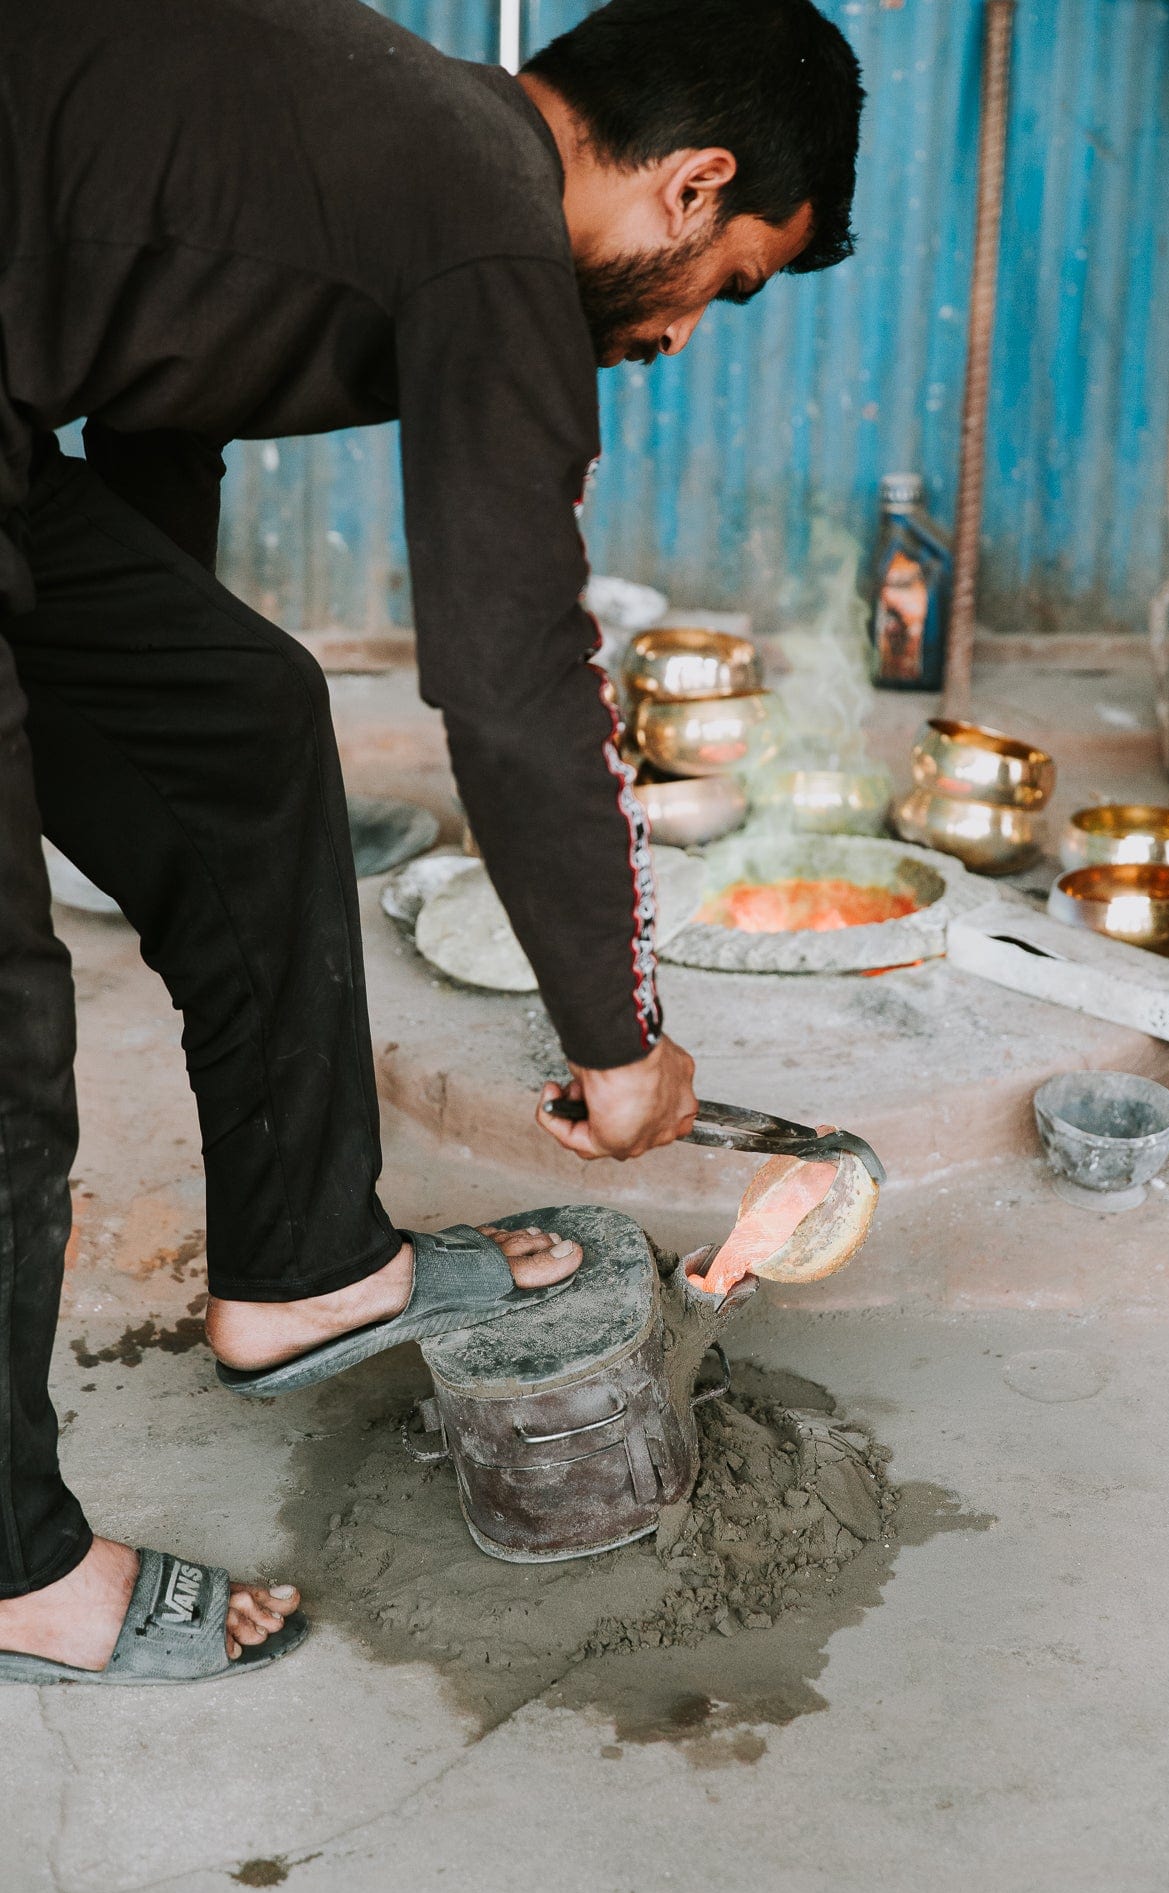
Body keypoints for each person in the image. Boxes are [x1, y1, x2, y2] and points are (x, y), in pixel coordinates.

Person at [0, 0, 863, 1684]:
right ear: (691, 187)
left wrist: (140, 711)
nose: (687, 331)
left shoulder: (403, 137)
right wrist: (620, 1038)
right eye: (728, 281)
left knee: (240, 715)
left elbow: (158, 364)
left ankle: (305, 1269)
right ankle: (10, 1570)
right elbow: (510, 663)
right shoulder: (486, 230)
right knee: (5, 1022)